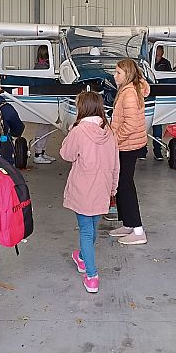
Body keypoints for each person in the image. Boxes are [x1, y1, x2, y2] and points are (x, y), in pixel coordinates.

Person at [59, 91, 119, 293]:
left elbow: (66, 154)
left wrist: (70, 132)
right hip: (103, 187)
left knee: (86, 231)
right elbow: (116, 164)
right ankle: (83, 257)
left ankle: (92, 276)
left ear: (81, 108)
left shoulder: (78, 131)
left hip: (83, 188)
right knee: (92, 228)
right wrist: (113, 188)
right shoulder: (109, 131)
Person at [109, 58, 149, 245]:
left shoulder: (130, 93)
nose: (114, 75)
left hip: (127, 146)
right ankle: (128, 224)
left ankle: (138, 230)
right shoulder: (128, 90)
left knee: (125, 186)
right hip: (125, 144)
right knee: (121, 184)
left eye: (118, 72)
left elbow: (131, 125)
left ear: (128, 74)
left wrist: (114, 139)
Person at [31, 45, 57, 165]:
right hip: (44, 101)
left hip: (44, 100)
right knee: (43, 128)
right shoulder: (43, 68)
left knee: (46, 127)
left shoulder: (41, 66)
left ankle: (42, 152)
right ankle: (37, 154)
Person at [151, 46, 172, 161]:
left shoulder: (166, 63)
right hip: (147, 97)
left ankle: (157, 150)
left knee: (157, 125)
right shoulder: (145, 62)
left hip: (159, 97)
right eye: (155, 54)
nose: (156, 57)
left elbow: (168, 79)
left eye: (158, 55)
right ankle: (142, 151)